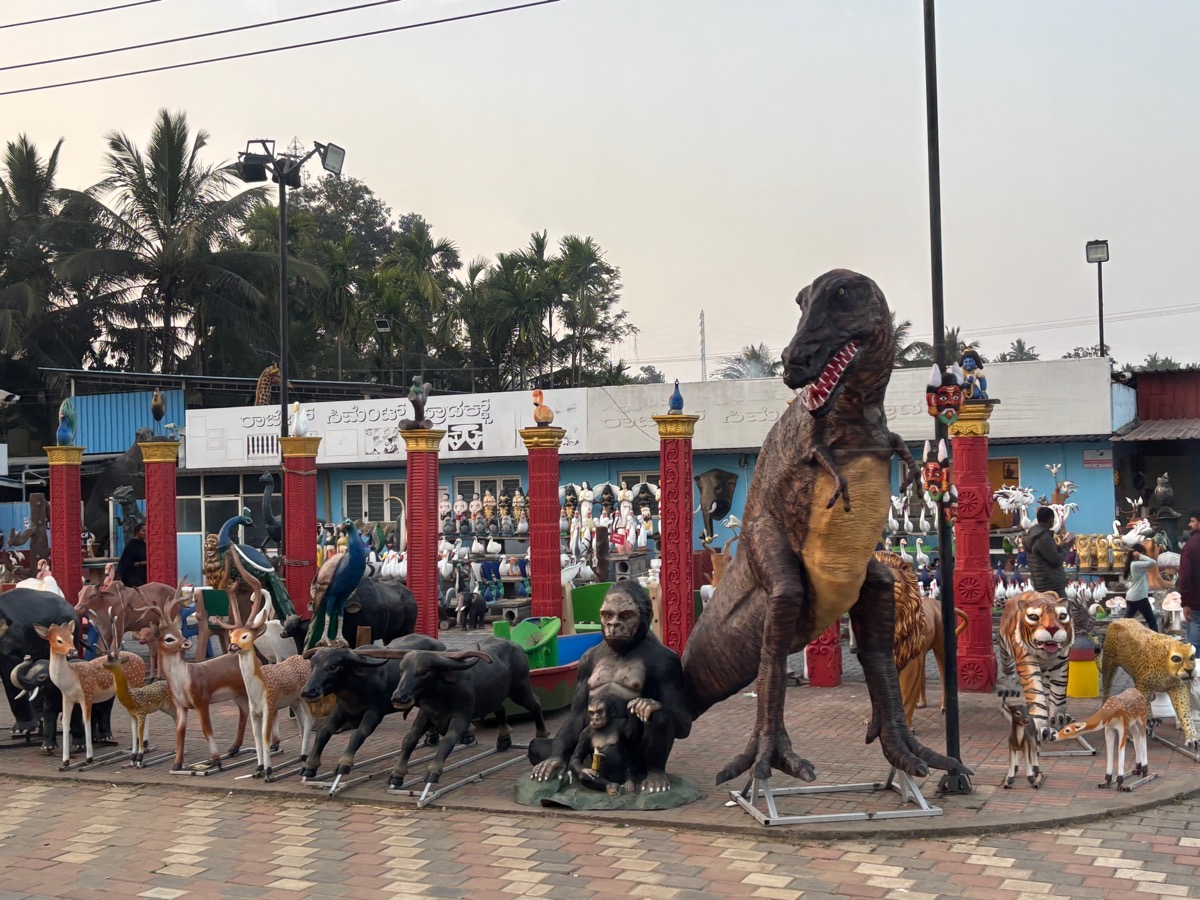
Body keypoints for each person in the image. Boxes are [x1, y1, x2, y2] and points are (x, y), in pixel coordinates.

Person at [1025, 507, 1074, 596]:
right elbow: (1056, 560)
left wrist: (1061, 546)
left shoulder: (1033, 535)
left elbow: (1045, 553)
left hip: (1040, 582)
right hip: (1051, 583)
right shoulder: (1043, 537)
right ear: (1050, 519)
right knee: (1060, 608)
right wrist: (1067, 546)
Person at [1177, 508, 1200, 649]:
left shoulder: (1190, 547)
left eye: (1192, 521)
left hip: (1196, 604)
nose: (1189, 525)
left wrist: (1185, 602)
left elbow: (1184, 577)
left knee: (1194, 644)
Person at [1123, 549, 1159, 632]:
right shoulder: (1136, 565)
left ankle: (1119, 636)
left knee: (1126, 621)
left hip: (1132, 597)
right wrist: (1140, 555)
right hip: (1139, 597)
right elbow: (1153, 562)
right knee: (1152, 620)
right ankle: (1157, 641)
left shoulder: (1131, 565)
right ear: (1136, 556)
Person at [116, 522, 148, 587]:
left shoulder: (144, 544)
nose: (145, 533)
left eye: (146, 531)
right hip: (132, 577)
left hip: (143, 575)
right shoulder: (131, 545)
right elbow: (128, 563)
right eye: (143, 531)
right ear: (137, 532)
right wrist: (143, 563)